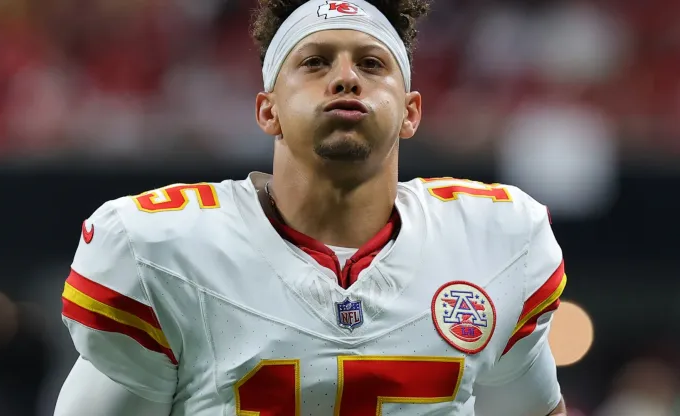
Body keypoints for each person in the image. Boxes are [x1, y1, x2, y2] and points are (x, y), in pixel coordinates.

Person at [54, 1, 568, 415]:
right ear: (267, 109)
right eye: (315, 62)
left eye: (371, 64)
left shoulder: (496, 241)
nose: (346, 79)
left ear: (411, 112)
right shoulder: (161, 250)